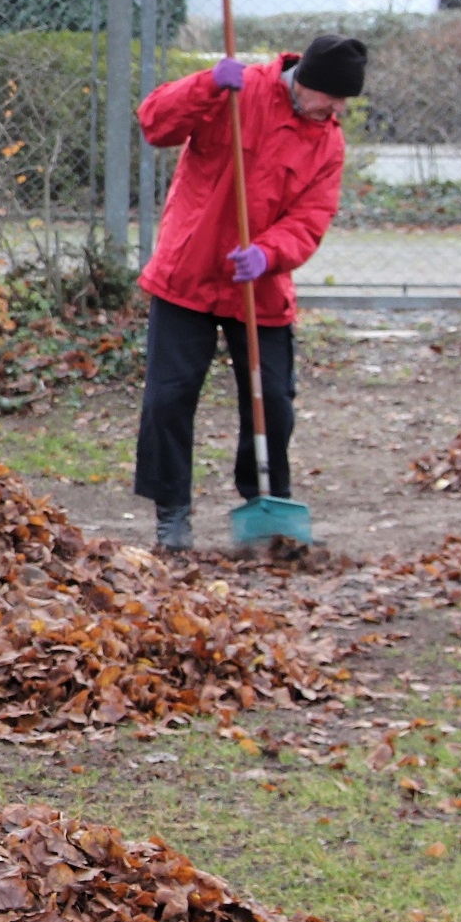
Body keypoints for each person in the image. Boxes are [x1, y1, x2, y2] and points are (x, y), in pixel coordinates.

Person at [133, 33, 363, 551]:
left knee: (274, 402)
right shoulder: (238, 92)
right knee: (168, 398)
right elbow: (154, 123)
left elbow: (311, 218)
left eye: (343, 101)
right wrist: (207, 83)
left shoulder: (328, 141)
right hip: (188, 269)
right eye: (331, 97)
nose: (337, 109)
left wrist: (268, 252)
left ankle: (267, 504)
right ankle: (172, 513)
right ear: (303, 82)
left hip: (258, 285)